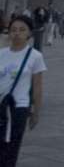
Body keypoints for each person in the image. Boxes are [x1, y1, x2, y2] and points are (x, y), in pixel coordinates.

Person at [0, 14, 45, 167]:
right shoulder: (1, 54)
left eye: (22, 30)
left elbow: (37, 87)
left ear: (29, 33)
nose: (17, 33)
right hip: (0, 107)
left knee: (11, 147)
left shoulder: (35, 56)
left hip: (18, 108)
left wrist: (36, 113)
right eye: (13, 30)